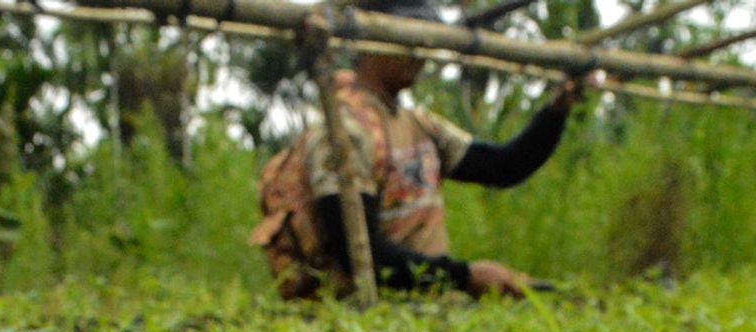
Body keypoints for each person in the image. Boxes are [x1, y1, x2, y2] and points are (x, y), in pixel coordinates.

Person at [248, 0, 591, 300]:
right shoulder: (345, 129)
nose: (421, 52)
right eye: (409, 39)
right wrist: (467, 277)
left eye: (426, 39)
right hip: (372, 314)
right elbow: (361, 254)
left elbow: (502, 167)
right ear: (372, 40)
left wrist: (556, 110)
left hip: (425, 304)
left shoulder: (418, 126)